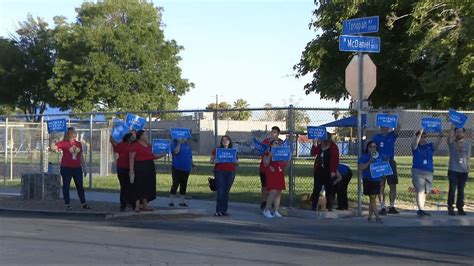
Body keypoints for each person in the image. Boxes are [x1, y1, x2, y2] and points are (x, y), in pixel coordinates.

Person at [52, 127, 91, 210]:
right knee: (66, 186)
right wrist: (52, 141)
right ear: (68, 133)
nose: (74, 133)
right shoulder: (64, 143)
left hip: (77, 168)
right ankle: (67, 204)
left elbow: (81, 156)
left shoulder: (78, 144)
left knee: (80, 186)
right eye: (72, 132)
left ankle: (84, 203)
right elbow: (53, 148)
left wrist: (85, 168)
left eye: (75, 132)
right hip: (66, 168)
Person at [129, 130, 165, 213]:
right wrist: (131, 170)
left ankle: (145, 205)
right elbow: (131, 158)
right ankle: (137, 206)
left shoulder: (149, 145)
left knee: (147, 186)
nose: (147, 136)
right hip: (139, 166)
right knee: (138, 185)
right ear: (141, 136)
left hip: (149, 166)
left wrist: (162, 155)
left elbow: (153, 156)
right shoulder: (135, 145)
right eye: (145, 134)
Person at [411, 129, 443, 217]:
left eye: (424, 137)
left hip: (428, 171)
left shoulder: (429, 146)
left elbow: (436, 145)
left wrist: (440, 136)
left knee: (425, 191)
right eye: (421, 137)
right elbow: (415, 144)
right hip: (417, 171)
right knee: (420, 191)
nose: (423, 138)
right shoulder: (415, 146)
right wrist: (420, 132)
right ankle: (420, 209)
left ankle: (422, 209)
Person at [373, 125, 399, 215]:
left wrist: (392, 117)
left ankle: (392, 206)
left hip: (390, 162)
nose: (385, 128)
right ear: (380, 127)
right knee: (381, 185)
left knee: (393, 185)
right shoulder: (376, 137)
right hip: (380, 163)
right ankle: (382, 207)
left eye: (387, 126)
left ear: (388, 128)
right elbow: (372, 149)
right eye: (383, 126)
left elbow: (398, 127)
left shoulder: (392, 135)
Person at [310, 132, 339, 211]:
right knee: (316, 189)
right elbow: (313, 153)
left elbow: (335, 159)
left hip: (328, 171)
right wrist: (314, 143)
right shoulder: (320, 146)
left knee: (329, 189)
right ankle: (313, 206)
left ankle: (330, 206)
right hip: (319, 170)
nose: (320, 140)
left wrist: (333, 171)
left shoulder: (333, 147)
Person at [210, 135, 238, 216]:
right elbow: (211, 161)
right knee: (220, 191)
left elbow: (237, 163)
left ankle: (224, 210)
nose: (225, 141)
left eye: (227, 140)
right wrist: (215, 161)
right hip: (220, 172)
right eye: (223, 140)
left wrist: (235, 161)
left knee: (226, 191)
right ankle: (218, 210)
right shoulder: (217, 150)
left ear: (230, 141)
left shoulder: (233, 151)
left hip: (230, 172)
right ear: (221, 142)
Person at [447, 126, 471, 216]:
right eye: (457, 132)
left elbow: (468, 158)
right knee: (452, 189)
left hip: (463, 171)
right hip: (453, 170)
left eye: (461, 132)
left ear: (464, 133)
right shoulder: (452, 143)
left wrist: (468, 168)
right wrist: (451, 128)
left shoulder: (467, 145)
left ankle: (460, 207)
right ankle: (450, 207)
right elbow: (448, 138)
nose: (459, 133)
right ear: (455, 133)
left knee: (461, 190)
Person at [359, 141, 384, 223]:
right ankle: (377, 216)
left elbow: (381, 168)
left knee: (373, 198)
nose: (373, 148)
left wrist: (381, 179)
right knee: (372, 197)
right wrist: (369, 162)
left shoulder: (379, 156)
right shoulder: (364, 157)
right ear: (367, 148)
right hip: (368, 179)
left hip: (377, 180)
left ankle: (370, 216)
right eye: (371, 147)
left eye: (374, 147)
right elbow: (361, 167)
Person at [262, 140, 287, 218]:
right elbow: (265, 163)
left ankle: (276, 210)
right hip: (271, 173)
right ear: (271, 145)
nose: (277, 144)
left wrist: (288, 158)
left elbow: (285, 164)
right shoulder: (267, 153)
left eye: (279, 143)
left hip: (279, 173)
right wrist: (270, 155)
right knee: (273, 191)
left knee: (278, 192)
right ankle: (266, 210)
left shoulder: (280, 153)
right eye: (275, 143)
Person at [258, 126, 281, 210]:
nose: (272, 133)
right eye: (272, 132)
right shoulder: (266, 141)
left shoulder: (280, 142)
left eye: (274, 132)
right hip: (264, 167)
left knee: (274, 188)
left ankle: (272, 204)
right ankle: (264, 202)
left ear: (278, 134)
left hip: (275, 168)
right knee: (264, 186)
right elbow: (262, 152)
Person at [169, 138, 195, 207]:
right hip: (177, 168)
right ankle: (171, 201)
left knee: (184, 185)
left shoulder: (187, 146)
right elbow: (176, 152)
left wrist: (192, 165)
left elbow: (190, 156)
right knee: (175, 184)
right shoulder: (174, 144)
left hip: (186, 169)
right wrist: (179, 143)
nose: (184, 139)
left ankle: (182, 201)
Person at [110, 133, 133, 212]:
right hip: (122, 168)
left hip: (130, 168)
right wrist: (112, 141)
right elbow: (116, 148)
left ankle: (129, 201)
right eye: (131, 137)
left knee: (130, 186)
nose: (133, 138)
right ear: (128, 138)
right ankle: (123, 205)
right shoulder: (122, 144)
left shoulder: (132, 145)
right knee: (124, 187)